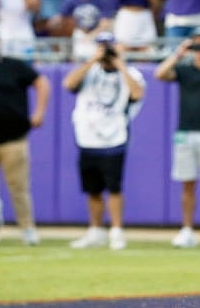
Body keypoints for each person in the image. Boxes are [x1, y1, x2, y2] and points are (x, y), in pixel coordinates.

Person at [63, 32, 145, 250]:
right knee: (93, 189)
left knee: (114, 188)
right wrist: (92, 60)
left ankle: (117, 231)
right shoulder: (89, 71)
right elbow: (68, 83)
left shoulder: (130, 73)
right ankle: (96, 230)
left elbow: (137, 93)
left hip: (114, 137)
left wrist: (120, 64)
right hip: (87, 137)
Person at [155, 27, 200, 248]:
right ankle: (187, 229)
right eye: (198, 46)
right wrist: (179, 53)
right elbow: (160, 73)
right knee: (187, 184)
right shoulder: (185, 70)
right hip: (185, 132)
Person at [0, 26, 49, 245]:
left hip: (13, 138)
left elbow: (42, 82)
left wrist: (39, 112)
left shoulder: (13, 66)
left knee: (19, 188)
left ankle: (27, 229)